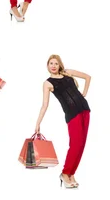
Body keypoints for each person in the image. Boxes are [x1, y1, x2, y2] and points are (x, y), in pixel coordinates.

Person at [34, 55, 91, 189]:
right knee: (75, 145)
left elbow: (88, 77)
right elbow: (44, 105)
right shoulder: (48, 83)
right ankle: (65, 173)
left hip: (85, 110)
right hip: (72, 114)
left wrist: (84, 93)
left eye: (56, 63)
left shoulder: (68, 73)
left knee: (81, 145)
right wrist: (38, 123)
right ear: (47, 66)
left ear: (60, 65)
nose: (53, 66)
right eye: (51, 63)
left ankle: (71, 174)